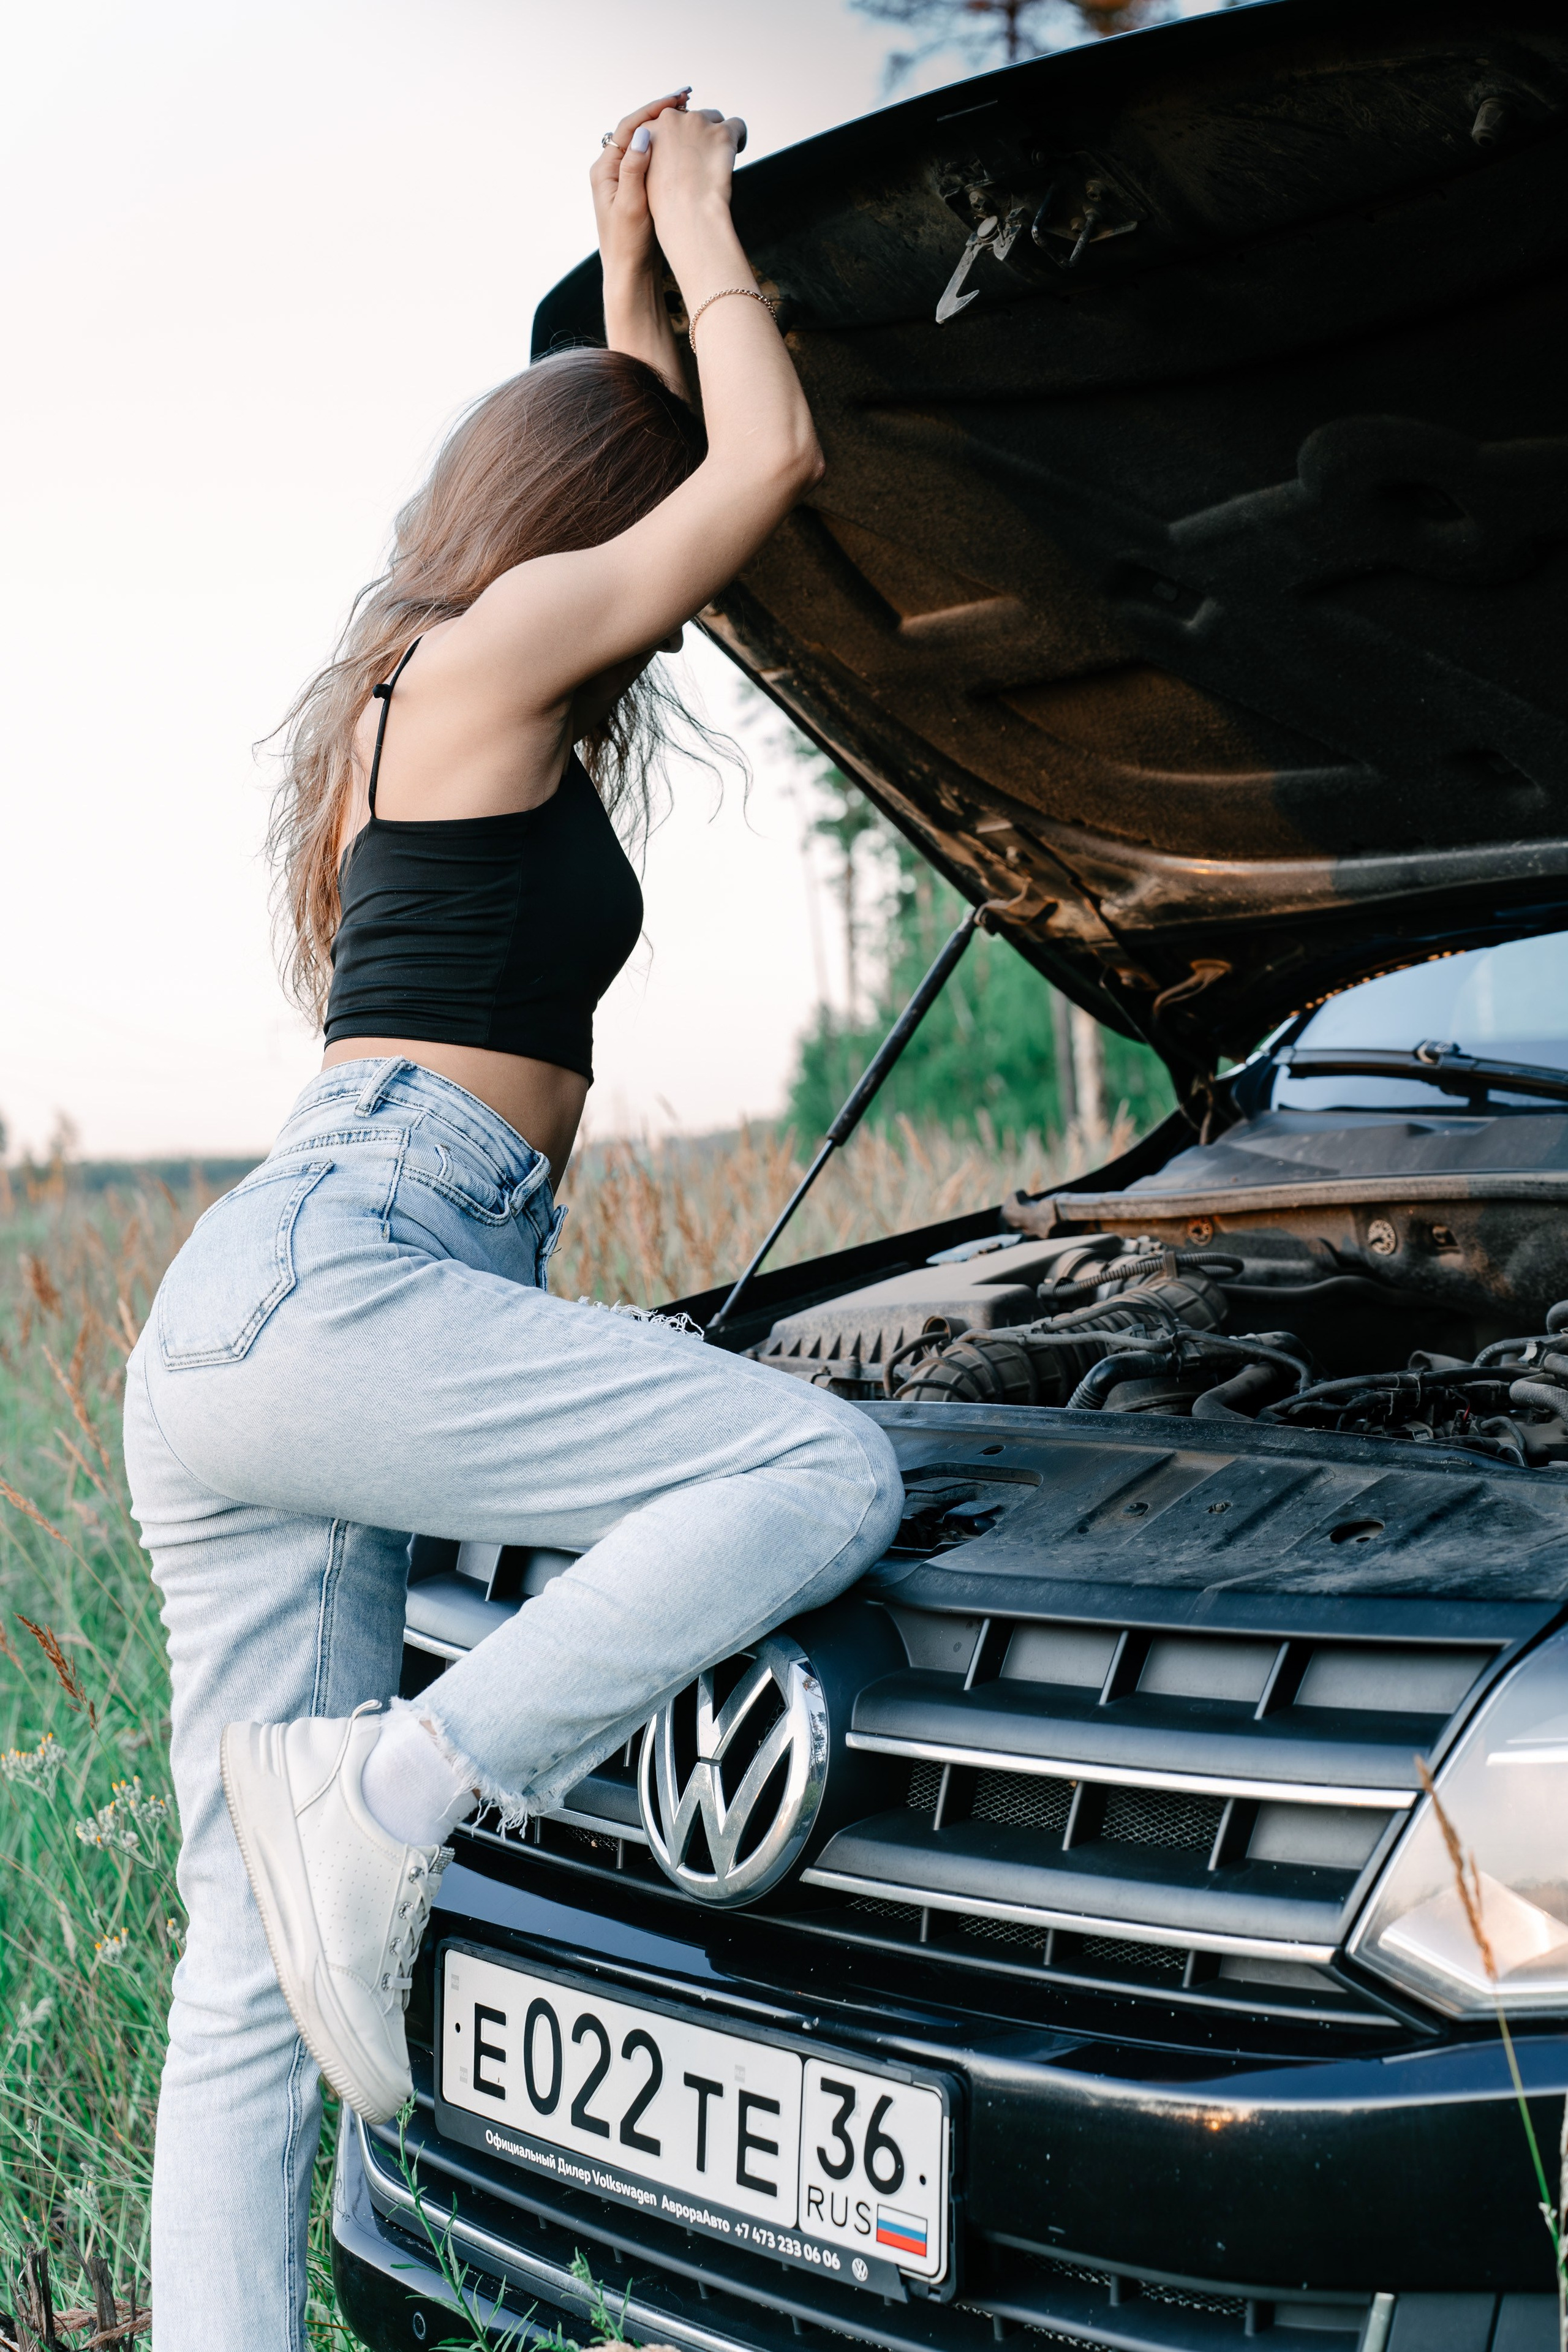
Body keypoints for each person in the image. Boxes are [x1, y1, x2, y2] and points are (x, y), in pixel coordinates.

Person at [123, 91, 903, 2352]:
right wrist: (702, 219)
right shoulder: (480, 659)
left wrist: (629, 289)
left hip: (290, 1304)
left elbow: (671, 471)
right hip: (356, 1271)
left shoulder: (436, 674)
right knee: (812, 1463)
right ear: (577, 524)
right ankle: (404, 1797)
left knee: (243, 1971)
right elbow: (763, 478)